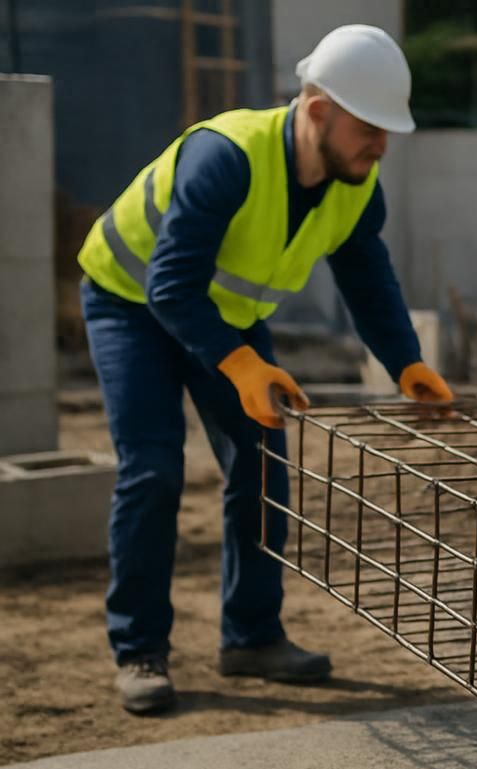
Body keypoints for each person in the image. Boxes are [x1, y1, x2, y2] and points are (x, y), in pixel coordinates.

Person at [76, 25, 453, 713]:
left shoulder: (356, 186)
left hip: (225, 316)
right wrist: (241, 364)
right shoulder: (226, 158)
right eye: (370, 128)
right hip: (131, 301)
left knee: (261, 468)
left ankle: (250, 637)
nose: (381, 146)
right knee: (154, 468)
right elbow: (170, 287)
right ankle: (139, 649)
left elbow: (368, 278)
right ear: (317, 112)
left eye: (387, 131)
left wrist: (407, 364)